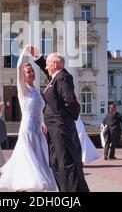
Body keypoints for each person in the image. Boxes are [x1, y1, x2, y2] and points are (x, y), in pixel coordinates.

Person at [30, 45, 89, 192]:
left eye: (48, 64)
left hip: (61, 126)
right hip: (54, 127)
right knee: (55, 162)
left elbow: (69, 101)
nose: (46, 67)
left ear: (54, 64)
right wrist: (37, 57)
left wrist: (66, 119)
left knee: (66, 162)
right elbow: (47, 70)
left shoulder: (63, 77)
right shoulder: (56, 77)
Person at [0, 46, 57, 192]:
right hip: (28, 127)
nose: (31, 73)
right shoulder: (22, 89)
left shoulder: (37, 91)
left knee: (39, 156)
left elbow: (40, 110)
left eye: (32, 71)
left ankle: (32, 185)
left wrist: (43, 122)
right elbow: (18, 67)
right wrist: (25, 52)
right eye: (28, 72)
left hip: (38, 127)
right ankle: (27, 184)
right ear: (23, 76)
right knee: (30, 157)